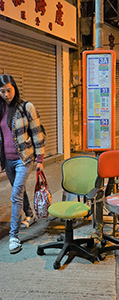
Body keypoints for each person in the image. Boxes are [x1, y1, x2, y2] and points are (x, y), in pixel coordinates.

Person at [0, 74, 45, 254]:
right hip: (7, 160)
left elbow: (37, 133)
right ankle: (30, 215)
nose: (6, 94)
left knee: (16, 194)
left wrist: (40, 159)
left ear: (15, 88)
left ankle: (13, 236)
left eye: (9, 90)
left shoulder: (26, 107)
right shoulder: (0, 108)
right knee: (19, 191)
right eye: (2, 91)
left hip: (24, 158)